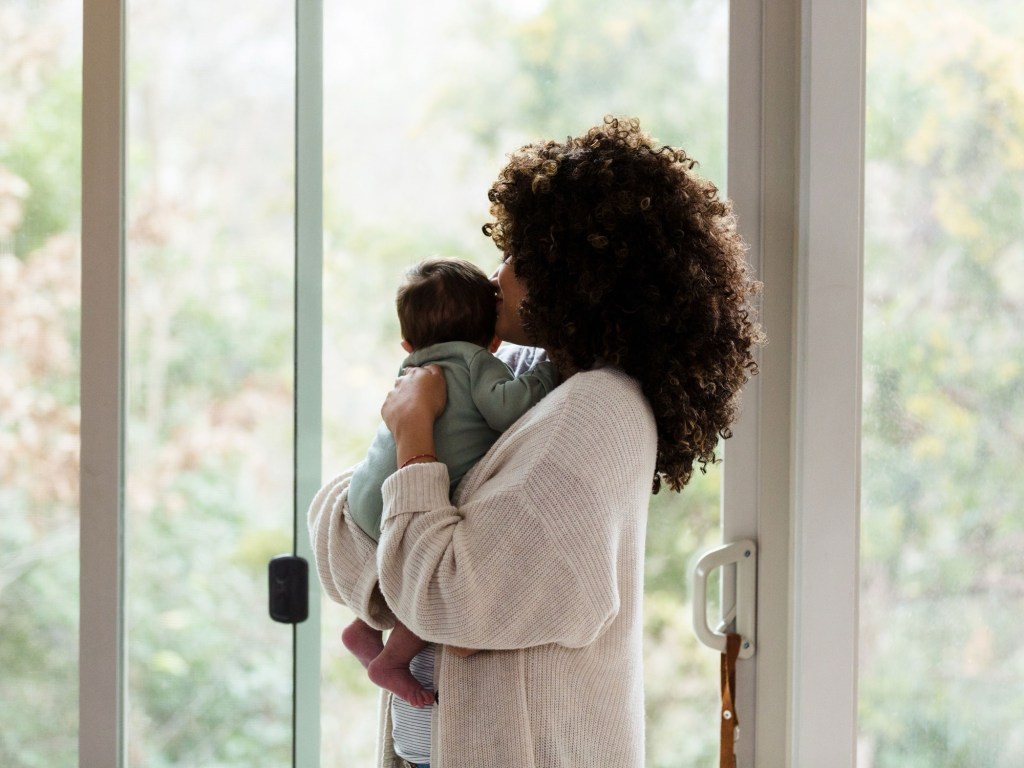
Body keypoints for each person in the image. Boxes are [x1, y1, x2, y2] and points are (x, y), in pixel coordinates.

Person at [309, 116, 764, 767]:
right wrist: (418, 578)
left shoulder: (598, 415)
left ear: (580, 279)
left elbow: (442, 595)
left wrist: (413, 440)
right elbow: (341, 534)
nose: (497, 275)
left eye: (521, 258)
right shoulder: (519, 378)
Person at [341, 256, 559, 711]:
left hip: (364, 497)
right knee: (427, 583)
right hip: (410, 497)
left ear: (407, 342)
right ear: (493, 339)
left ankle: (363, 627)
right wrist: (548, 370)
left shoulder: (412, 367)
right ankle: (392, 660)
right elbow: (507, 408)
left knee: (398, 566)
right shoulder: (477, 361)